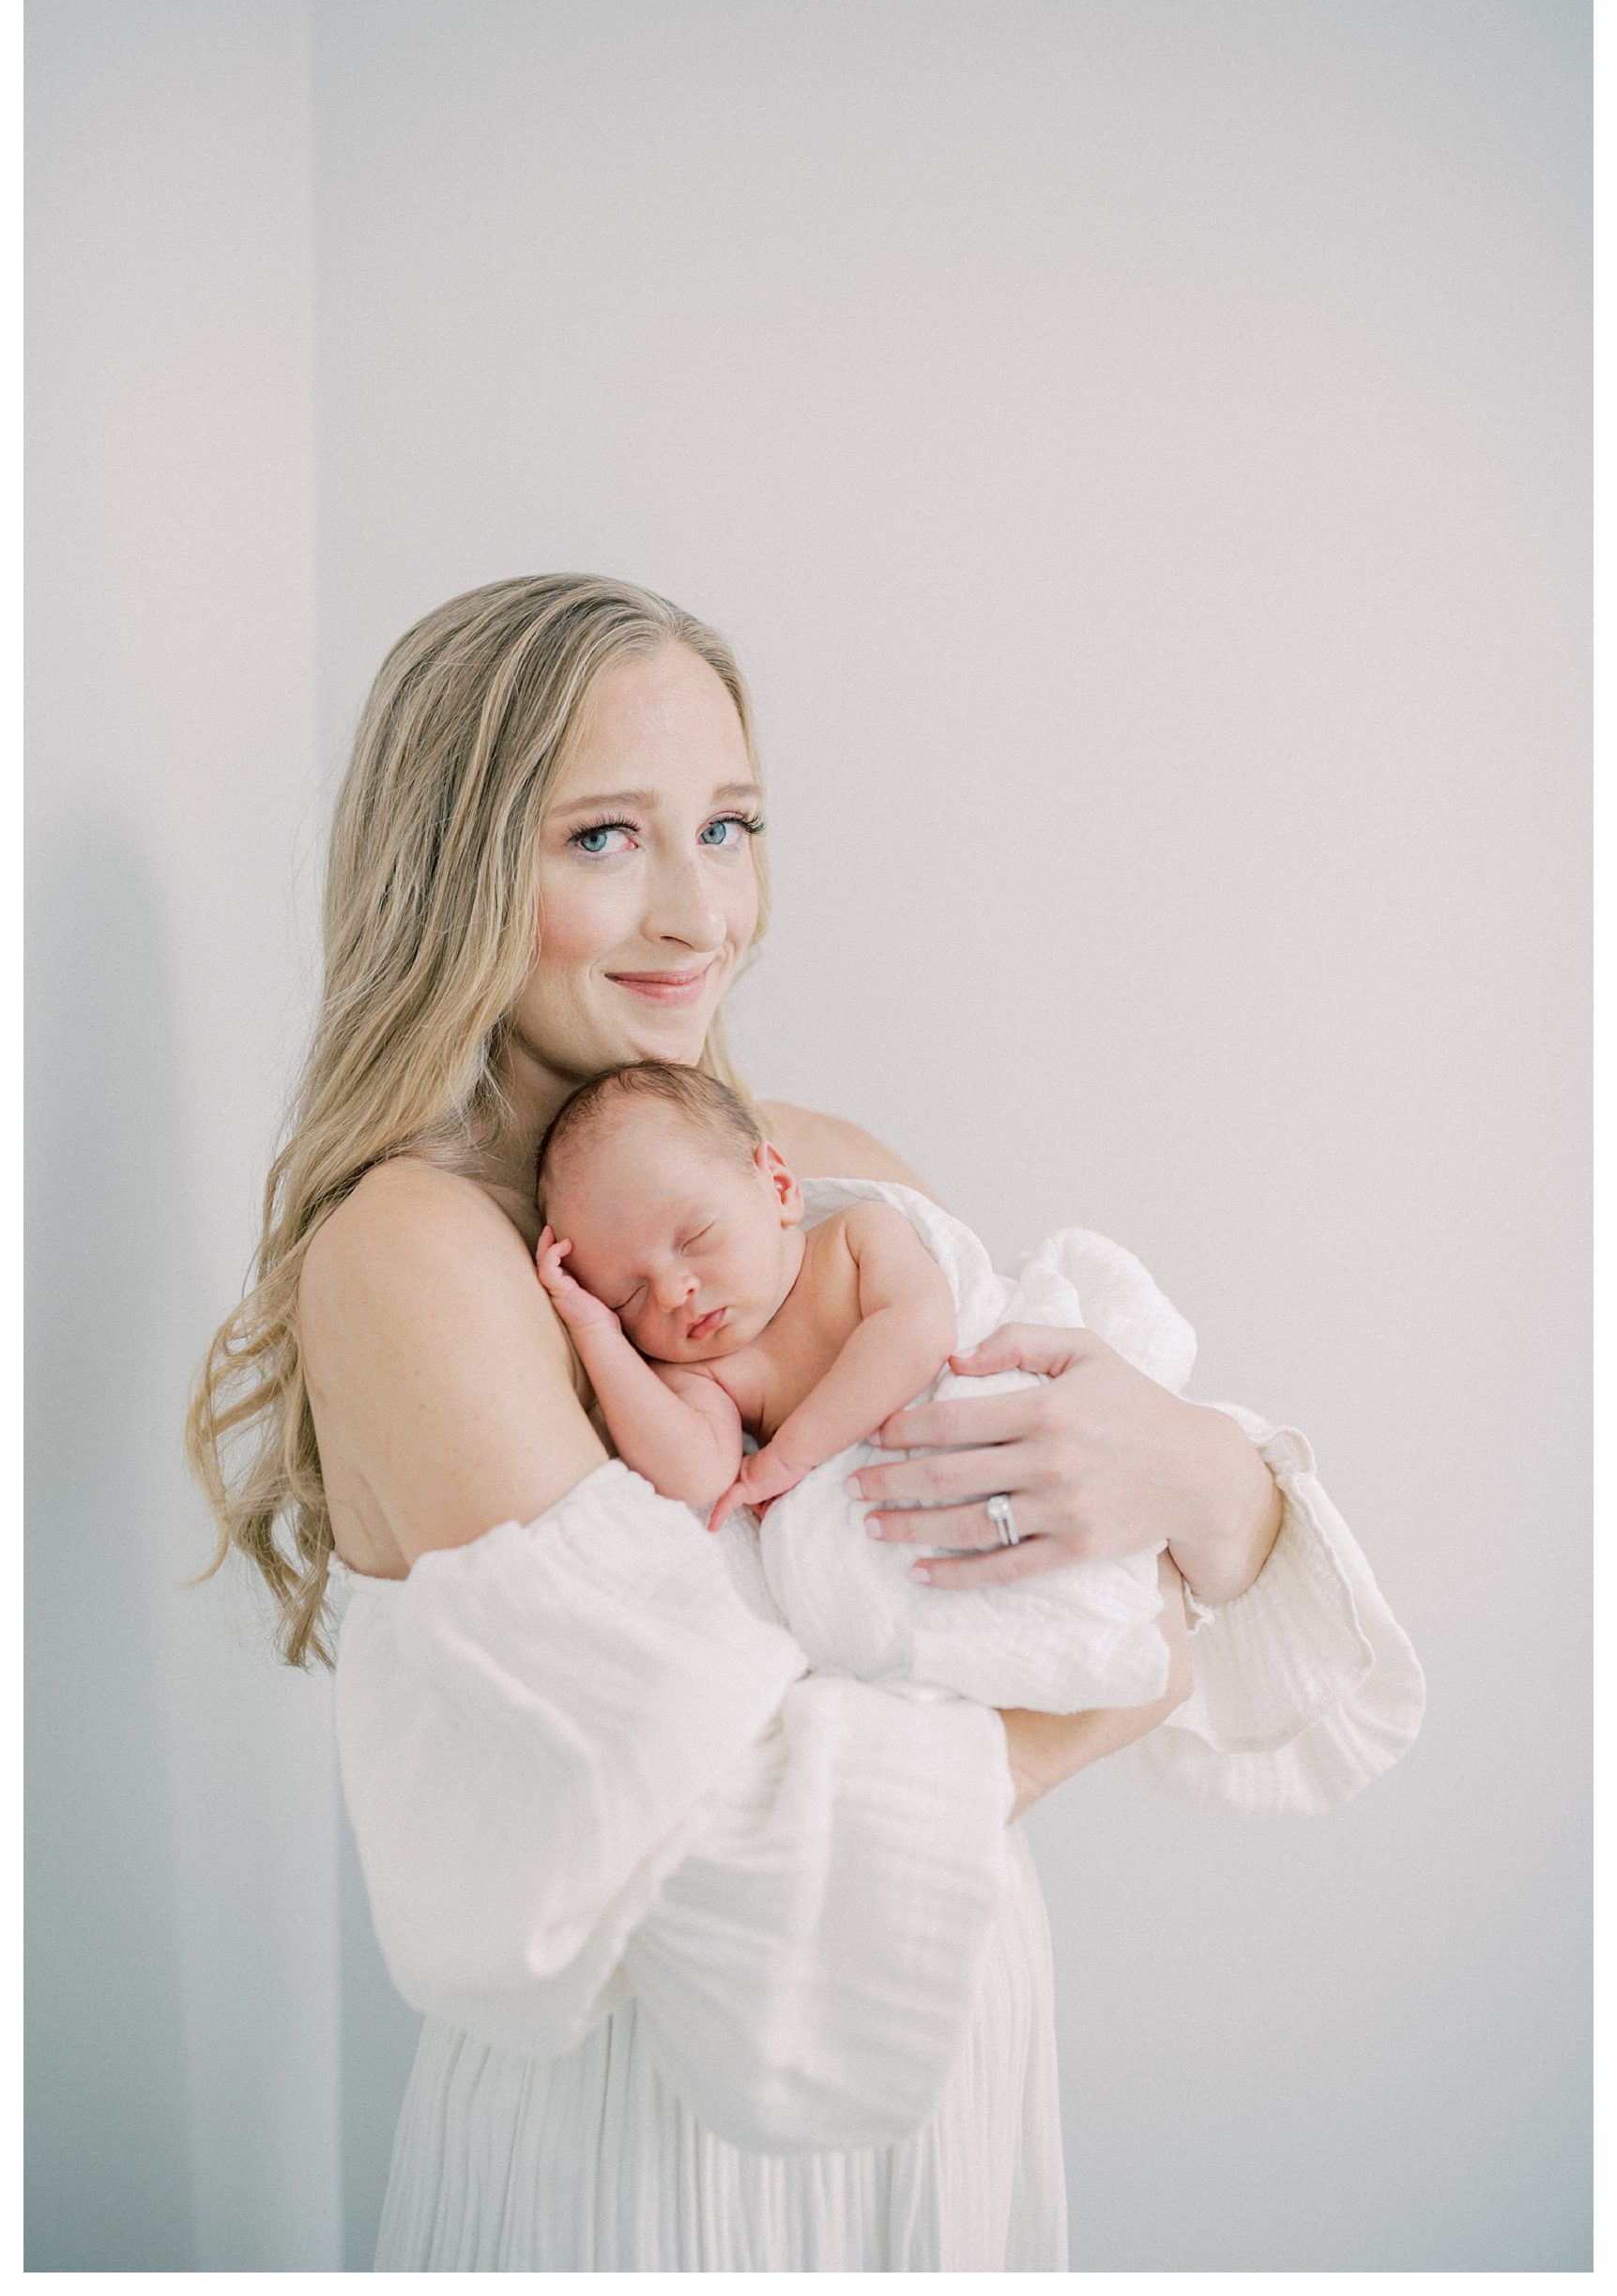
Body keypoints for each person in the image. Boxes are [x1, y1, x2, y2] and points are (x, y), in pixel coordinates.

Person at [187, 572, 1426, 2272]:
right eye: (605, 838)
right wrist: (1123, 1675)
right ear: (456, 865)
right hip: (658, 2137)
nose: (696, 912)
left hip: (962, 2042)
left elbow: (1146, 1588)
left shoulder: (837, 1171)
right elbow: (720, 1851)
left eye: (729, 825)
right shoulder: (418, 1252)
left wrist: (1199, 1472)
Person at [534, 1055, 1180, 1712]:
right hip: (904, 1539)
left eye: (694, 1238)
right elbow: (695, 1474)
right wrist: (597, 1334)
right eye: (628, 1293)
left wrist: (788, 1457)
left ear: (778, 1186)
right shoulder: (706, 1372)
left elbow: (918, 1331)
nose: (673, 1293)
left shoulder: (853, 1239)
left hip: (998, 1443)